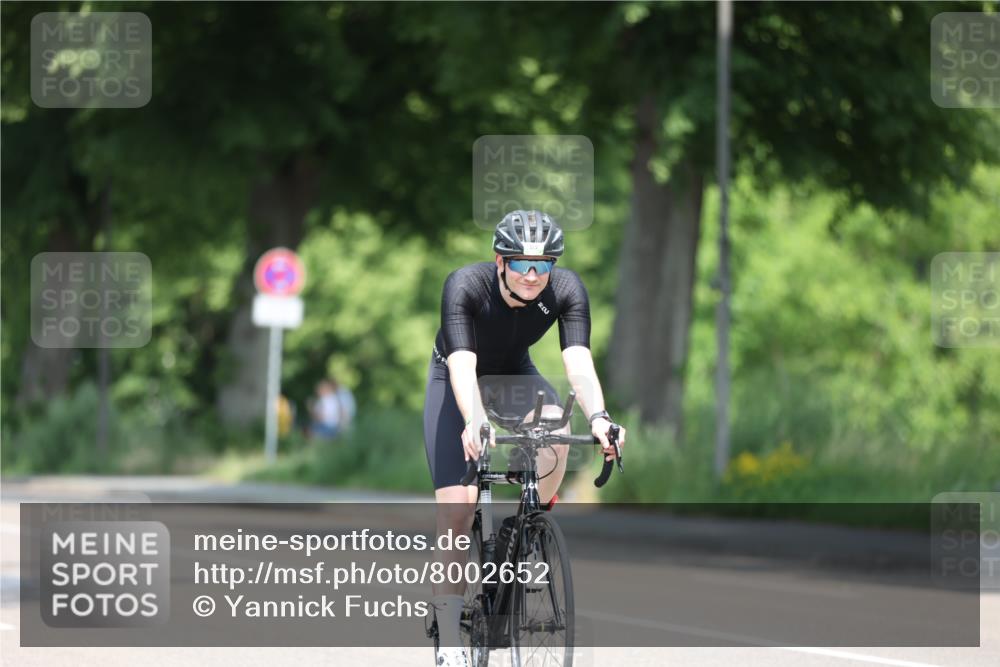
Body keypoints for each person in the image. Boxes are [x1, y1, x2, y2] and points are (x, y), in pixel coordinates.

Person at [423, 210, 627, 666]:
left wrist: (600, 417)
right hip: (455, 377)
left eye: (543, 265)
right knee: (458, 510)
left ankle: (526, 528)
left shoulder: (566, 289)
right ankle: (449, 642)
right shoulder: (465, 285)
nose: (532, 276)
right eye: (521, 264)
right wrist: (475, 419)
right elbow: (462, 365)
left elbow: (578, 359)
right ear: (500, 261)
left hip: (514, 374)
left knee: (558, 428)